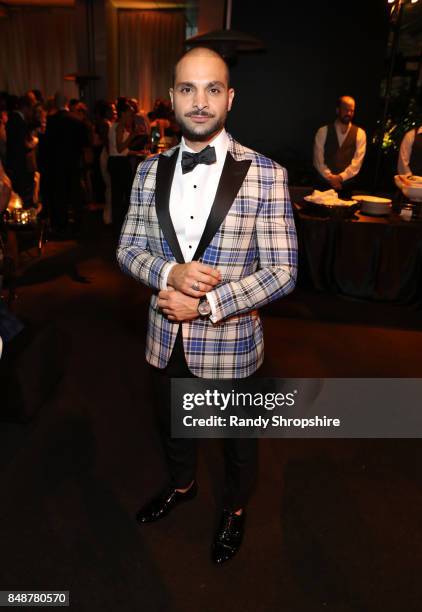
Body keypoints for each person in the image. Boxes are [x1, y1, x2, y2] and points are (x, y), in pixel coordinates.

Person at [117, 47, 297, 565]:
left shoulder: (268, 174)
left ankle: (235, 509)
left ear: (230, 97)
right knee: (174, 422)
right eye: (189, 89)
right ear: (172, 97)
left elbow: (284, 272)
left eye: (213, 89)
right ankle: (183, 484)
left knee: (238, 440)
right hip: (163, 333)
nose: (200, 102)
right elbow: (127, 247)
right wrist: (168, 273)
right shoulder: (148, 171)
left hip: (230, 340)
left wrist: (209, 304)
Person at [313, 95, 366, 196]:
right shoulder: (323, 131)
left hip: (346, 186)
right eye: (346, 110)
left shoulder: (360, 133)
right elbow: (318, 160)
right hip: (323, 185)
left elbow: (357, 162)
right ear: (338, 110)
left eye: (352, 110)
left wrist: (340, 177)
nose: (349, 113)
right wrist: (330, 178)